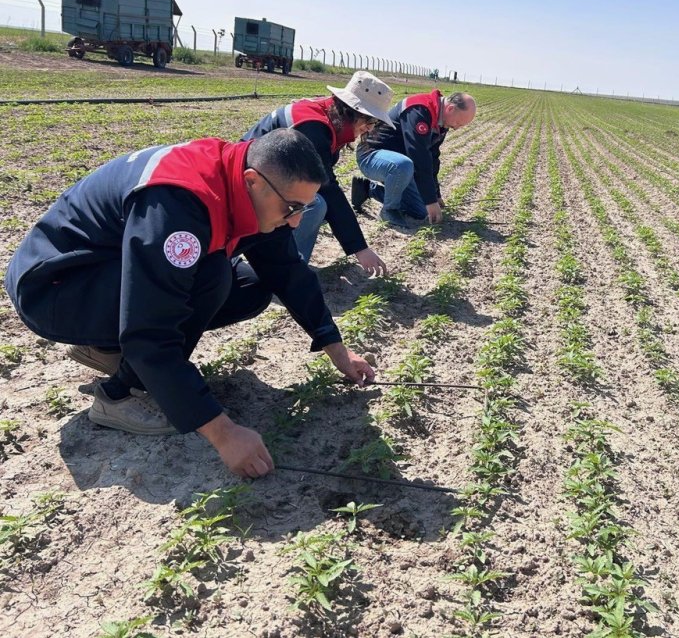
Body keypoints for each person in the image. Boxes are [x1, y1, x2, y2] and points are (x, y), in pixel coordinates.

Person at [4, 129, 375, 479]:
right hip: (54, 288)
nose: (295, 223)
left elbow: (287, 272)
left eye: (303, 211)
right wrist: (224, 434)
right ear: (253, 181)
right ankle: (121, 396)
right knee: (210, 275)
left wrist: (337, 349)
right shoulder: (180, 203)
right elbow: (151, 329)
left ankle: (106, 347)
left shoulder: (243, 182)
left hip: (102, 274)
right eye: (291, 207)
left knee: (252, 285)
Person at [242, 71, 394, 272]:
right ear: (353, 111)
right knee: (315, 204)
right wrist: (360, 248)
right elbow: (327, 188)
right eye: (370, 121)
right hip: (250, 184)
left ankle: (290, 261)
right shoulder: (313, 128)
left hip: (268, 178)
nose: (370, 129)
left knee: (316, 204)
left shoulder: (328, 116)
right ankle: (280, 268)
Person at [351, 90, 477, 227]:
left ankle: (367, 189)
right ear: (450, 108)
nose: (457, 128)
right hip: (372, 155)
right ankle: (389, 210)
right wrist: (430, 201)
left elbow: (432, 157)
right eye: (459, 123)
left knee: (421, 211)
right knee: (403, 166)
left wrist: (435, 195)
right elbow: (419, 156)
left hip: (401, 166)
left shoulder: (442, 121)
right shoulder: (418, 110)